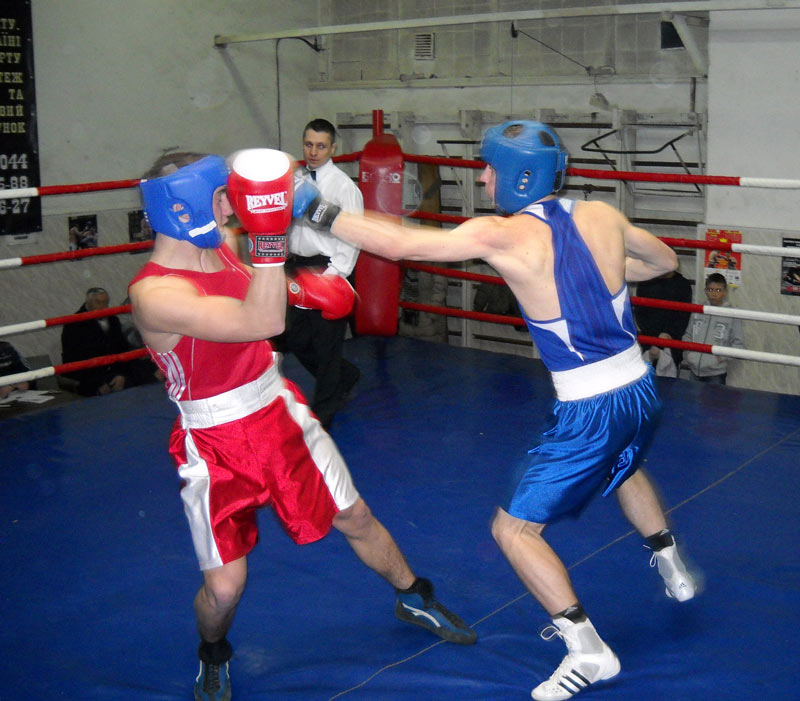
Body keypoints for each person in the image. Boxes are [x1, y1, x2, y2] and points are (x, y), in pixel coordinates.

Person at [297, 120, 699, 700]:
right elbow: (664, 261)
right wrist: (608, 270)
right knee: (626, 465)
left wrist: (316, 210)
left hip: (591, 407)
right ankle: (672, 564)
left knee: (512, 531)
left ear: (519, 177)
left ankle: (589, 651)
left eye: (489, 169)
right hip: (641, 388)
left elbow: (405, 245)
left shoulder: (501, 235)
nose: (484, 179)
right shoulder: (602, 215)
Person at [128, 150, 476, 701]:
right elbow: (261, 319)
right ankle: (213, 652)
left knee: (355, 514)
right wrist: (272, 238)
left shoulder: (225, 244)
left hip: (276, 408)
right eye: (219, 198)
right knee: (225, 588)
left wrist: (295, 281)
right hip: (213, 439)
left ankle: (414, 595)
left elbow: (259, 292)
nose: (231, 208)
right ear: (182, 206)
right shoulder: (155, 294)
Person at [273, 118, 362, 429]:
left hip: (328, 268)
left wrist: (334, 276)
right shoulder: (296, 180)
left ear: (333, 148)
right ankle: (346, 375)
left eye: (321, 146)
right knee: (294, 337)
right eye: (309, 144)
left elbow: (353, 235)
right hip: (296, 266)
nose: (313, 151)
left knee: (327, 346)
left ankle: (324, 415)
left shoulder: (343, 187)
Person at [60, 287, 135, 396]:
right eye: (98, 303)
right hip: (88, 378)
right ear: (88, 303)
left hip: (114, 373)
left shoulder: (113, 320)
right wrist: (97, 383)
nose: (102, 307)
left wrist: (121, 375)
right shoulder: (74, 324)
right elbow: (73, 359)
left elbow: (122, 349)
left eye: (105, 303)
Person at [682, 272, 744, 384]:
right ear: (705, 291)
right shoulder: (698, 310)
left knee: (715, 396)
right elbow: (688, 335)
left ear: (725, 292)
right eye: (710, 290)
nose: (714, 294)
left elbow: (738, 344)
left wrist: (719, 358)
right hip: (694, 371)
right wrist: (689, 355)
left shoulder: (732, 315)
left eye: (718, 290)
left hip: (716, 374)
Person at [634, 269, 692, 373]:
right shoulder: (646, 282)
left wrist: (669, 333)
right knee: (646, 378)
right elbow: (640, 312)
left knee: (669, 380)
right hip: (648, 340)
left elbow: (684, 315)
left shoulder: (682, 284)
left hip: (671, 341)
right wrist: (654, 338)